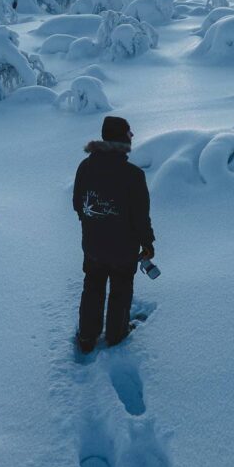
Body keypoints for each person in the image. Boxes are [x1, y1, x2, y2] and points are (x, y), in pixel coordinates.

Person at [72, 115, 155, 353]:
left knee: (93, 287)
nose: (132, 136)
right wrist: (147, 243)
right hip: (122, 250)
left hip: (93, 246)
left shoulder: (85, 167)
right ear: (120, 137)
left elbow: (78, 204)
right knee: (120, 290)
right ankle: (116, 335)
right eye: (129, 132)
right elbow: (140, 217)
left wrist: (93, 224)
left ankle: (87, 337)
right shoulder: (133, 175)